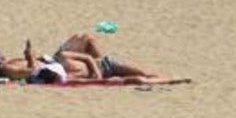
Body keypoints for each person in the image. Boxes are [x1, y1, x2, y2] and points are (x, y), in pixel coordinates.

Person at [50, 33, 191, 85]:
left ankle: (164, 78)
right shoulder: (63, 76)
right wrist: (100, 80)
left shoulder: (61, 58)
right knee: (139, 79)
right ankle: (171, 80)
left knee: (143, 74)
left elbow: (87, 58)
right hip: (105, 71)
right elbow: (83, 80)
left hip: (106, 64)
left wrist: (97, 75)